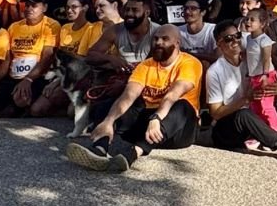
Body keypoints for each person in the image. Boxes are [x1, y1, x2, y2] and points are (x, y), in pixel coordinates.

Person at [66, 24, 203, 173]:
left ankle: (132, 154)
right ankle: (99, 149)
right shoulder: (146, 65)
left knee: (182, 106)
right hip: (148, 126)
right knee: (107, 106)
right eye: (156, 39)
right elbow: (129, 95)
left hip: (178, 130)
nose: (158, 43)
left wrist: (156, 118)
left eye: (165, 39)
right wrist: (109, 121)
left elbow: (172, 95)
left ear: (177, 43)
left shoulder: (190, 63)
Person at [203, 20, 277, 162]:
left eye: (237, 36)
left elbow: (269, 91)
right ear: (219, 44)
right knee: (244, 114)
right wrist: (245, 99)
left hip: (255, 115)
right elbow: (215, 112)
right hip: (229, 126)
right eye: (228, 39)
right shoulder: (214, 71)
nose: (235, 41)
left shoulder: (251, 61)